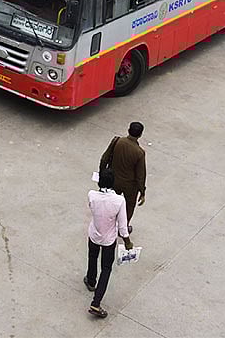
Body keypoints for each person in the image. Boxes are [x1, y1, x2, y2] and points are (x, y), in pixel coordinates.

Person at [83, 168, 132, 319]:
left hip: (94, 234)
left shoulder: (92, 195)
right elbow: (123, 227)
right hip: (108, 240)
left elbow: (92, 208)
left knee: (92, 257)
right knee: (106, 268)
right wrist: (127, 241)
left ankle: (91, 280)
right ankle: (96, 303)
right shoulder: (119, 201)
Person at [99, 122, 147, 229]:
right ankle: (123, 228)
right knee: (129, 207)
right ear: (140, 135)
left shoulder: (117, 141)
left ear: (128, 130)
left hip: (113, 180)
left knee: (110, 203)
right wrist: (142, 191)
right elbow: (140, 175)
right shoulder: (139, 153)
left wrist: (102, 174)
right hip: (130, 186)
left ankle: (107, 223)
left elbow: (104, 159)